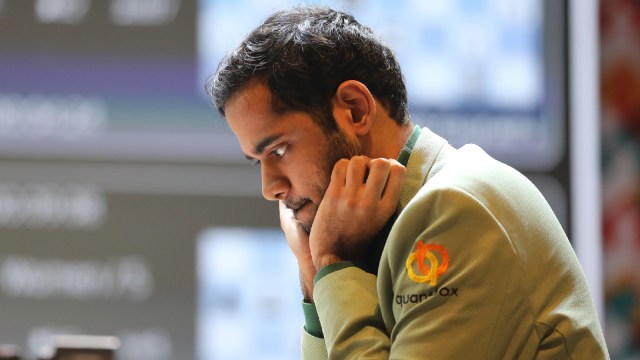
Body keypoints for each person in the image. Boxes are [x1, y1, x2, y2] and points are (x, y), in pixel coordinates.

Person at [207, 6, 609, 359]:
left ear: (355, 109)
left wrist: (333, 262)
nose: (270, 188)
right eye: (257, 161)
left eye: (277, 150)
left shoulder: (457, 209)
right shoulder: (396, 221)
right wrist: (314, 275)